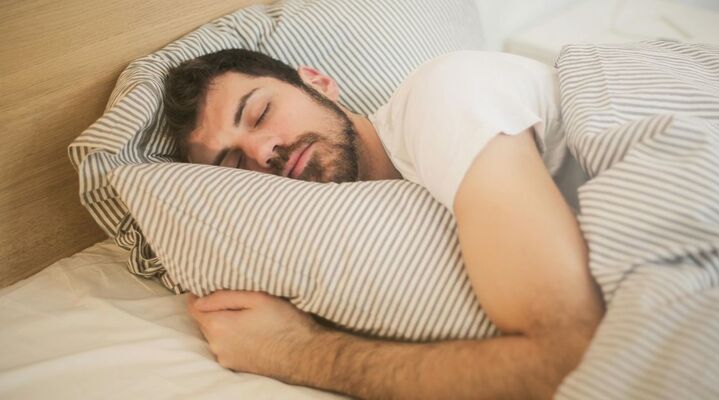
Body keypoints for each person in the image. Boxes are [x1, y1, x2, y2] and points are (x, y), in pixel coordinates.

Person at [164, 48, 605, 399]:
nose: (263, 152)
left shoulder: (443, 97)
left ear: (318, 82)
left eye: (259, 113)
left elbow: (575, 362)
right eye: (236, 162)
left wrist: (297, 352)